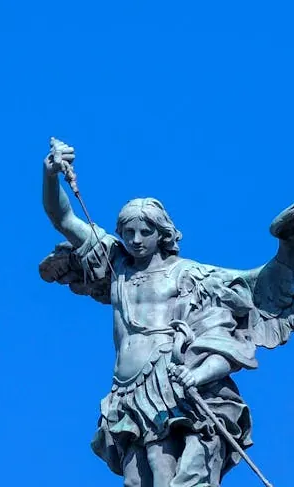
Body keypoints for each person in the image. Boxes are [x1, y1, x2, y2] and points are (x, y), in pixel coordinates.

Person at [41, 140, 259, 487]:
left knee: (162, 464)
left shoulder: (188, 275)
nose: (136, 239)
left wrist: (198, 375)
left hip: (166, 378)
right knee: (133, 479)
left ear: (162, 233)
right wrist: (50, 174)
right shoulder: (116, 265)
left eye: (146, 232)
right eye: (128, 232)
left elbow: (222, 340)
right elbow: (62, 216)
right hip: (125, 389)